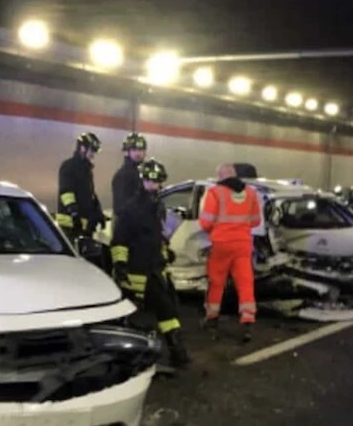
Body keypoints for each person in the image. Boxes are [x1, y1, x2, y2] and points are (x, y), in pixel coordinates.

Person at [110, 158, 191, 368]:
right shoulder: (130, 209)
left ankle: (175, 352)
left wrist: (166, 252)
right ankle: (132, 357)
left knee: (166, 311)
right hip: (137, 270)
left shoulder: (158, 207)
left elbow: (157, 237)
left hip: (155, 268)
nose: (155, 186)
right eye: (150, 181)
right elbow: (120, 239)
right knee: (146, 313)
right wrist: (120, 264)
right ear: (142, 181)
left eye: (158, 182)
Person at [199, 163, 262, 342]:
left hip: (221, 245)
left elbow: (205, 222)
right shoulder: (251, 193)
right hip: (243, 244)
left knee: (216, 281)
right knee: (245, 282)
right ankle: (248, 320)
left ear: (220, 176)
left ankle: (211, 318)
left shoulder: (215, 193)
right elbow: (256, 221)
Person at [56, 132, 105, 243]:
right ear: (82, 148)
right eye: (92, 151)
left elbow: (90, 195)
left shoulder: (87, 170)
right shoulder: (68, 166)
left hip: (83, 226)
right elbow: (66, 192)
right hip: (69, 226)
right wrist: (74, 213)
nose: (93, 155)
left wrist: (98, 212)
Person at [111, 132, 148, 218]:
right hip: (127, 228)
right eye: (134, 150)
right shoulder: (122, 176)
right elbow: (120, 209)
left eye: (141, 150)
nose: (138, 153)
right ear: (127, 152)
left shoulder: (144, 174)